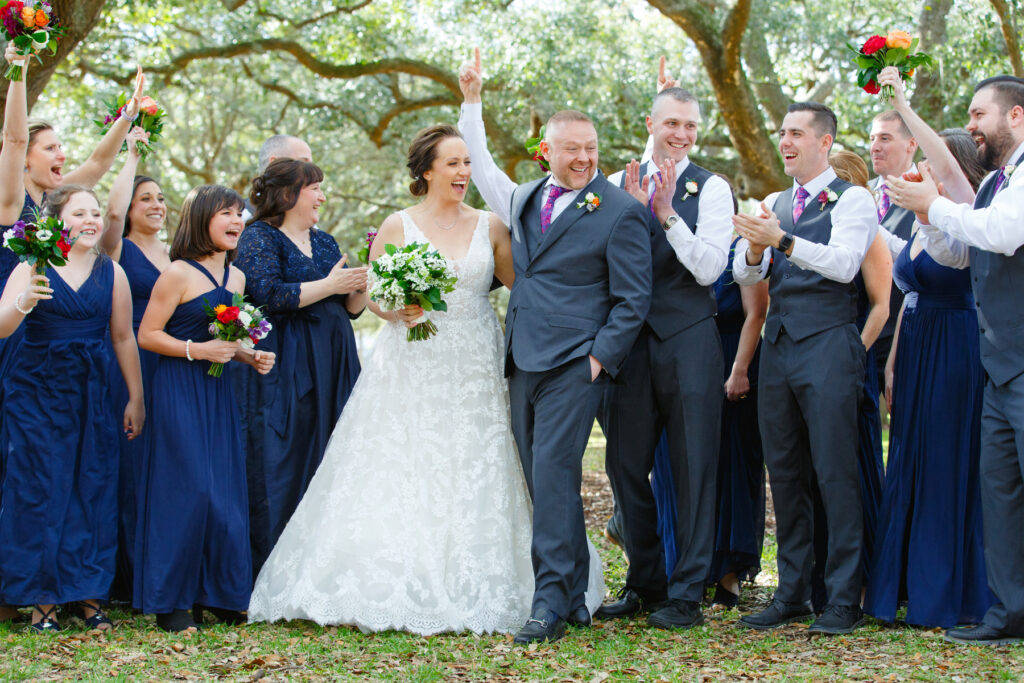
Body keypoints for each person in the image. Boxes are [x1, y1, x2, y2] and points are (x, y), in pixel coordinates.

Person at [249, 125, 606, 635]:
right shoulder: (397, 224)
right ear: (427, 171)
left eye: (467, 163)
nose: (464, 173)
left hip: (478, 359)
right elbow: (373, 296)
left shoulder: (492, 227)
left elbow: (526, 288)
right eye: (454, 164)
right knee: (406, 459)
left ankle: (543, 580)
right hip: (413, 362)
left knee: (485, 457)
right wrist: (396, 312)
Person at [883, 73, 1024, 645]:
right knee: (1001, 496)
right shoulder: (996, 181)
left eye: (978, 114)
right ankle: (1008, 614)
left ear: (1015, 117)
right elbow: (946, 165)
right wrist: (903, 107)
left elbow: (1000, 233)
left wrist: (933, 206)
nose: (970, 127)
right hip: (998, 367)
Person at [594, 60, 733, 630]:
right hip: (629, 346)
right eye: (672, 123)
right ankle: (645, 579)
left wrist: (667, 214)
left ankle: (686, 592)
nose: (681, 135)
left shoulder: (714, 186)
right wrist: (626, 211)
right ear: (649, 122)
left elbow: (709, 271)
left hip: (690, 341)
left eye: (691, 127)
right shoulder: (610, 186)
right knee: (624, 466)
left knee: (694, 466)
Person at [732, 102, 877, 635]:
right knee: (786, 474)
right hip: (780, 349)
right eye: (782, 132)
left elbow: (843, 265)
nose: (785, 140)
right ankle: (791, 592)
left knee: (835, 472)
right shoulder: (773, 201)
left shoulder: (854, 198)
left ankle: (842, 599)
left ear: (825, 143)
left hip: (830, 347)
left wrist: (782, 241)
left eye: (796, 133)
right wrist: (752, 249)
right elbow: (747, 277)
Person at [864, 75, 991, 627]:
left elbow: (952, 259)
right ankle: (905, 581)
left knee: (943, 461)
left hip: (955, 347)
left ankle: (945, 589)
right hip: (915, 347)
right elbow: (906, 280)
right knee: (909, 457)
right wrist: (893, 363)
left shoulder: (963, 219)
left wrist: (926, 206)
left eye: (933, 172)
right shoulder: (922, 218)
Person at [0, 185, 145, 632]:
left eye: (95, 212)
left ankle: (88, 595)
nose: (90, 219)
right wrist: (25, 302)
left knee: (93, 487)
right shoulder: (33, 264)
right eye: (79, 212)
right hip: (35, 389)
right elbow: (3, 326)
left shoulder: (113, 272)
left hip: (92, 390)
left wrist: (136, 397)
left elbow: (123, 337)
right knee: (40, 488)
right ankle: (41, 598)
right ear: (54, 219)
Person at [135, 185, 275, 632]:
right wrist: (197, 350)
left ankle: (219, 594)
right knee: (188, 490)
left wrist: (249, 355)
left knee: (223, 491)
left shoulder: (237, 279)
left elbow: (227, 343)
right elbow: (147, 335)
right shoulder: (177, 273)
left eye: (240, 213)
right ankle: (170, 600)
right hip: (179, 388)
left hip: (218, 394)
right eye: (226, 214)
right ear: (201, 219)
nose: (238, 220)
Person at [234, 159, 368, 581]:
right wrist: (331, 285)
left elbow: (349, 311)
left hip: (334, 356)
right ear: (289, 193)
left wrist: (360, 286)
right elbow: (268, 294)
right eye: (315, 188)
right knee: (283, 453)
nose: (322, 197)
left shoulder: (325, 241)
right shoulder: (258, 238)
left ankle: (327, 569)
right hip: (287, 358)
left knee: (336, 450)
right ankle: (274, 571)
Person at [808, 150, 891, 613]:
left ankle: (862, 582)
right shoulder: (808, 224)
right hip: (814, 361)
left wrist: (854, 353)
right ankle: (820, 582)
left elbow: (880, 303)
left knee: (851, 473)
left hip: (846, 361)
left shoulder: (864, 226)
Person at [98, 127, 166, 602]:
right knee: (129, 462)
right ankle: (124, 577)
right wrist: (131, 152)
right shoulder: (117, 250)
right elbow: (112, 211)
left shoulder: (178, 253)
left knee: (161, 466)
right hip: (127, 361)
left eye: (161, 198)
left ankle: (157, 567)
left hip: (170, 365)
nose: (156, 205)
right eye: (147, 198)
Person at [867, 111, 918, 389]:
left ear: (912, 144)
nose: (875, 147)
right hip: (859, 329)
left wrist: (869, 225)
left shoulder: (927, 192)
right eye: (873, 138)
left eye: (885, 138)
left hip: (903, 330)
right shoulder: (858, 192)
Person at [242, 135, 313, 221]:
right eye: (303, 163)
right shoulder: (241, 217)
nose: (311, 171)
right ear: (275, 163)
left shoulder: (307, 222)